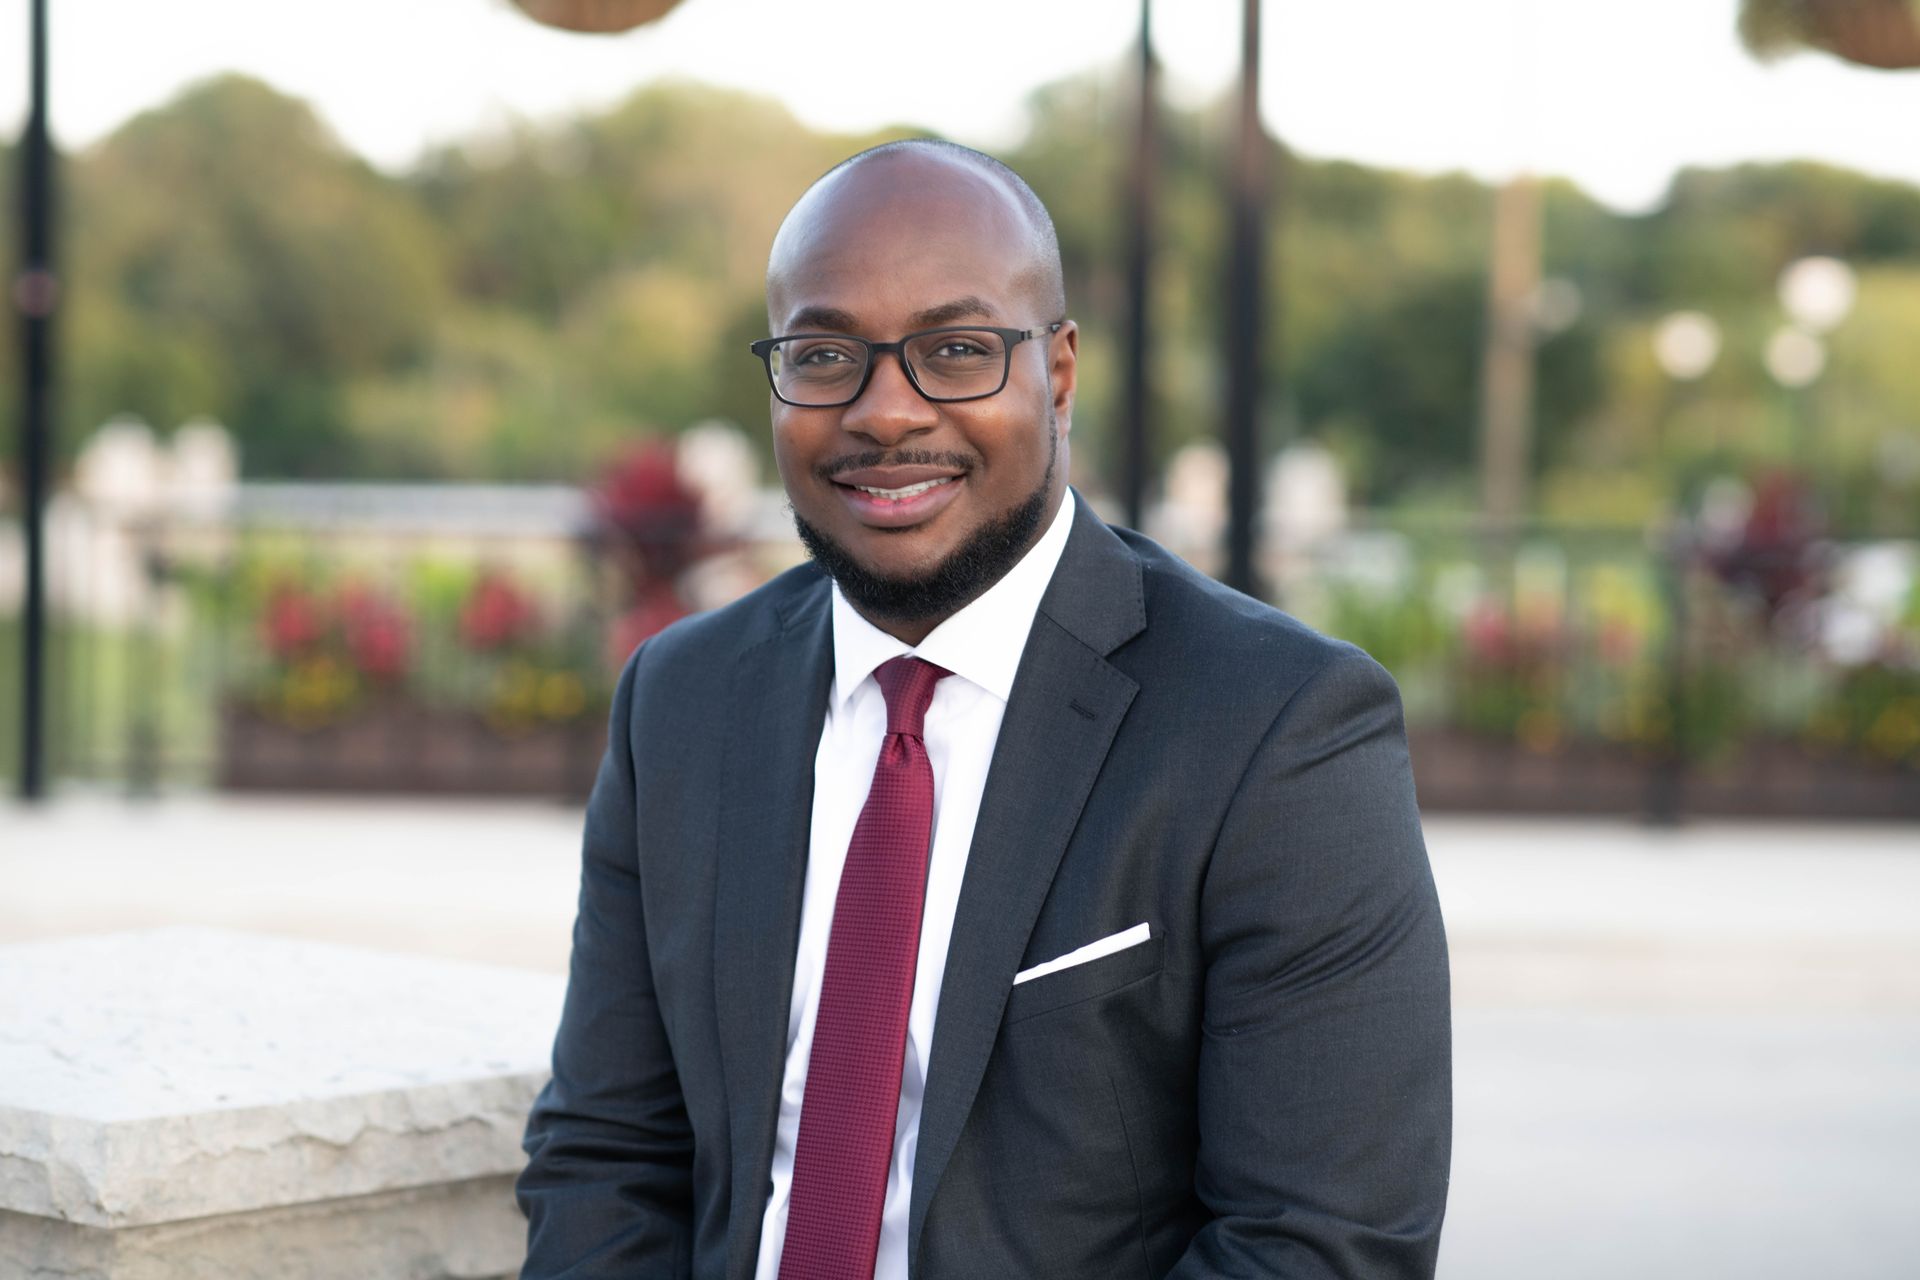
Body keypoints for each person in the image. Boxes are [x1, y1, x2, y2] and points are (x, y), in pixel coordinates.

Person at [518, 139, 1451, 1280]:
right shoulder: (681, 700)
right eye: (825, 355)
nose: (887, 411)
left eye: (956, 351)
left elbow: (1320, 1242)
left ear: (1057, 373)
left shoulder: (1279, 729)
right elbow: (607, 1154)